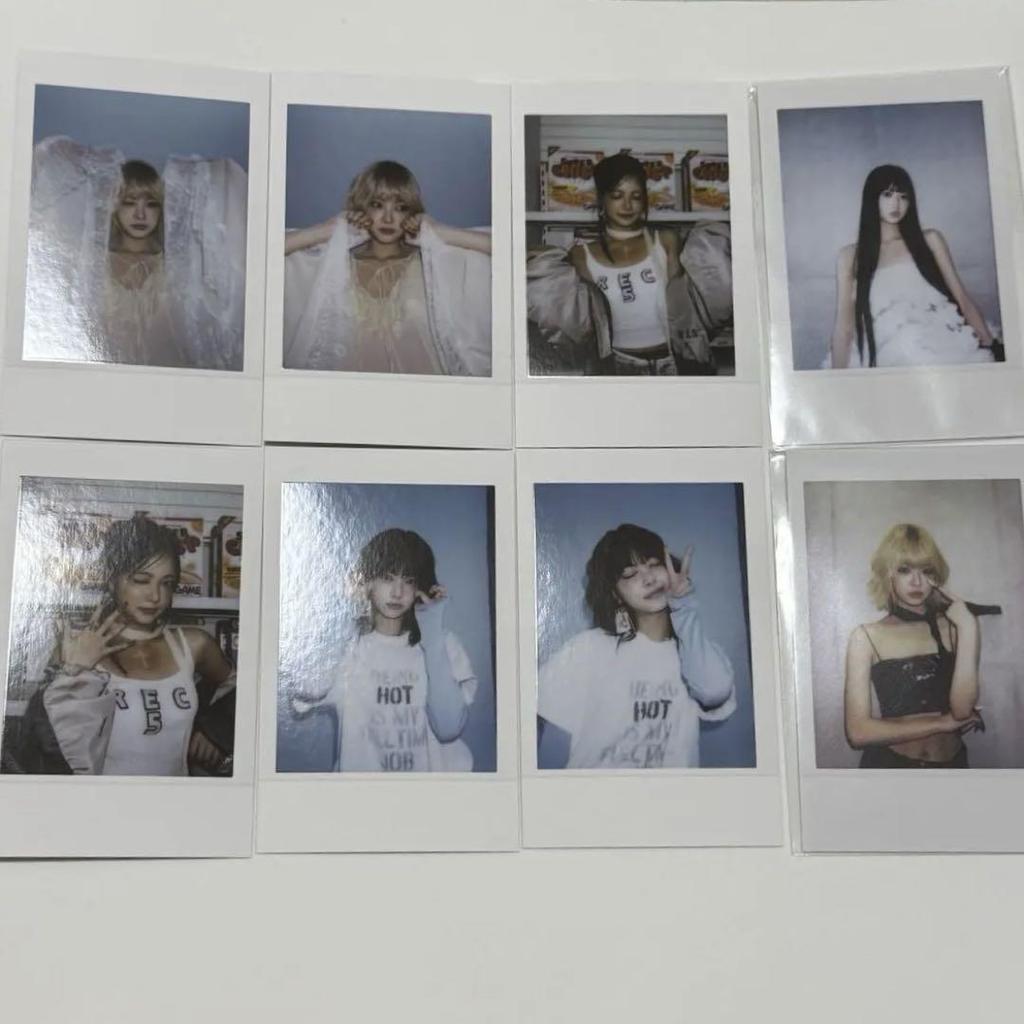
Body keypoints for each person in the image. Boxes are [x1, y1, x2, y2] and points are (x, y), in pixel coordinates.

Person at [9, 516, 236, 776]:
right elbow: (42, 748)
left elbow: (248, 690)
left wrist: (215, 731)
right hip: (102, 800)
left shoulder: (194, 645)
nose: (155, 596)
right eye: (141, 580)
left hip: (176, 798)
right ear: (112, 579)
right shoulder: (79, 646)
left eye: (166, 583)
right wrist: (73, 670)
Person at [25, 135, 247, 370]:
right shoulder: (91, 262)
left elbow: (241, 257)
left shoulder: (178, 265)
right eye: (130, 202)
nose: (140, 214)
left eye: (151, 204)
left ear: (162, 209)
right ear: (114, 205)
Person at [537, 523, 735, 769]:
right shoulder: (588, 648)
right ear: (615, 594)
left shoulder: (697, 652)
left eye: (654, 564)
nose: (649, 578)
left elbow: (715, 691)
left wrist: (683, 608)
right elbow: (544, 729)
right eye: (630, 574)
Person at [526, 152, 732, 376]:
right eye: (617, 196)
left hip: (675, 364)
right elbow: (583, 327)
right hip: (615, 369)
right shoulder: (581, 255)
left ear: (644, 201)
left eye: (636, 196)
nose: (627, 205)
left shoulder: (667, 241)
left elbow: (688, 313)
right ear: (602, 200)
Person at [290, 528, 477, 772]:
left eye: (408, 581)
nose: (397, 592)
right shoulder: (347, 647)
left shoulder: (442, 644)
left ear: (420, 587)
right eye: (388, 578)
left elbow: (448, 728)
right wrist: (346, 609)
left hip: (432, 792)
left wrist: (431, 629)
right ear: (367, 581)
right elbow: (305, 688)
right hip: (363, 794)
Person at [283, 160, 492, 376]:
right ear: (361, 208)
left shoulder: (433, 265)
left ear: (412, 213)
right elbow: (264, 255)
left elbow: (507, 252)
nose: (389, 218)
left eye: (401, 208)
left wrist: (438, 231)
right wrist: (329, 229)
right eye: (377, 205)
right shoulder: (332, 267)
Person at [842, 523, 995, 769]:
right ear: (888, 574)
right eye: (905, 570)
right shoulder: (865, 636)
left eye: (926, 571)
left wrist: (968, 628)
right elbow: (858, 732)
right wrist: (941, 723)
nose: (917, 581)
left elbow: (962, 711)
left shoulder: (956, 627)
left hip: (953, 768)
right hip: (891, 769)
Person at [828, 164, 1000, 369]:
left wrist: (991, 346)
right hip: (889, 350)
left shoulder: (930, 240)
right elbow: (844, 328)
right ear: (872, 198)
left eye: (903, 197)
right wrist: (837, 378)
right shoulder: (850, 257)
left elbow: (961, 297)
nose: (896, 204)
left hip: (942, 340)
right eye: (887, 195)